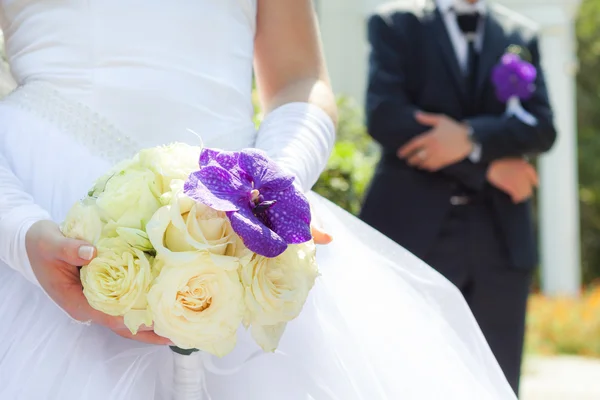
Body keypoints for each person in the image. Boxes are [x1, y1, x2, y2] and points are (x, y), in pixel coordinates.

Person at [0, 1, 516, 399]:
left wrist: (270, 188)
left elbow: (300, 78)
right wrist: (19, 231)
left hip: (241, 200)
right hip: (46, 197)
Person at [360, 0, 556, 394]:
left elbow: (541, 128)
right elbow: (386, 116)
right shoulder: (395, 23)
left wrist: (470, 138)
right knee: (407, 377)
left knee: (495, 382)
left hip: (500, 241)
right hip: (413, 236)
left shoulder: (519, 34)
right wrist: (487, 166)